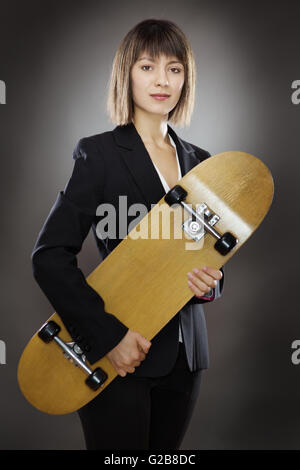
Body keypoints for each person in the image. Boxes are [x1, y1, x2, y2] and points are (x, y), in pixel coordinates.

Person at [31, 18, 224, 450]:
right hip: (121, 352)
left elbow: (209, 253)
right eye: (147, 67)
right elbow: (49, 256)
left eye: (175, 69)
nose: (162, 81)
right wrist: (107, 337)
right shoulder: (98, 153)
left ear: (185, 79)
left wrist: (210, 284)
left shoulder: (202, 162)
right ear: (126, 74)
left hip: (186, 355)